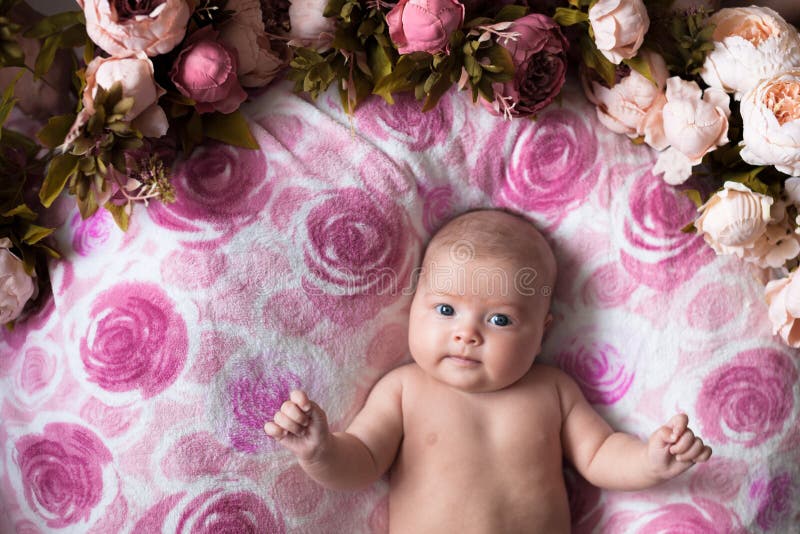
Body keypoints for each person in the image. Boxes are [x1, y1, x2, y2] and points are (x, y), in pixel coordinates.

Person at [264, 209, 712, 532]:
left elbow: (599, 456)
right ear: (413, 306)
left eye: (499, 320)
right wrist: (320, 451)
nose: (467, 334)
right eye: (445, 309)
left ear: (541, 333)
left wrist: (650, 462)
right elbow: (360, 462)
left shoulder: (553, 391)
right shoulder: (404, 390)